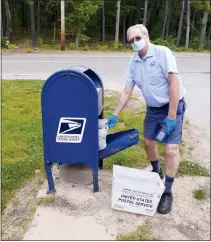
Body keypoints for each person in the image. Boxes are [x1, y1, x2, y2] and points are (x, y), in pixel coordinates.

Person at [106, 24, 186, 214]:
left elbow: (174, 85)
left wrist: (172, 116)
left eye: (137, 38)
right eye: (131, 41)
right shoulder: (133, 62)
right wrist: (115, 113)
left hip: (173, 105)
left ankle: (167, 191)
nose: (135, 43)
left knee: (170, 149)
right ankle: (156, 171)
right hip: (153, 109)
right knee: (149, 142)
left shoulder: (162, 53)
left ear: (146, 36)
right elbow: (127, 90)